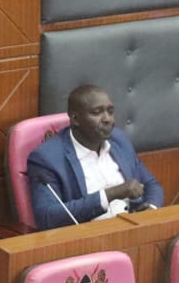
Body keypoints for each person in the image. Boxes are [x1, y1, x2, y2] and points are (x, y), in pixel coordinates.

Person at [26, 84, 163, 230]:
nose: (107, 119)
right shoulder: (47, 158)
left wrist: (151, 211)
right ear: (75, 118)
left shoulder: (119, 140)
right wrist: (111, 194)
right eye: (97, 112)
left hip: (132, 228)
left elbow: (150, 184)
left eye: (110, 112)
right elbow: (47, 217)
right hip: (88, 238)